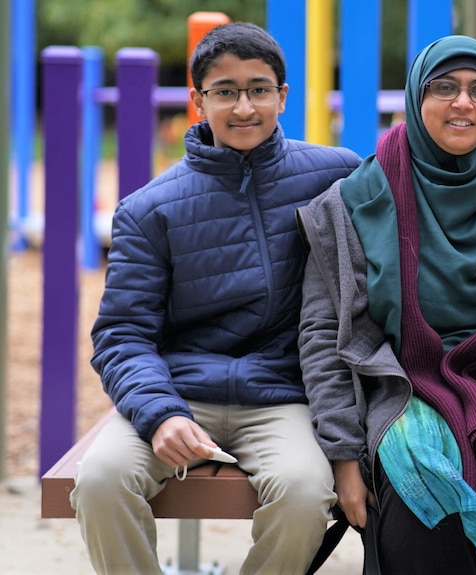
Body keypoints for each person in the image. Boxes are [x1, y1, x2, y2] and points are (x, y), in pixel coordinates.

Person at [71, 22, 361, 575]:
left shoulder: (336, 176)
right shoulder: (149, 209)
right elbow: (121, 334)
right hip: (180, 391)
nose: (243, 106)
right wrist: (158, 414)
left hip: (283, 394)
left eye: (258, 89)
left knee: (303, 493)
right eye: (224, 91)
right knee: (102, 480)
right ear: (198, 100)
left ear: (283, 96)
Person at [296, 35, 476, 574]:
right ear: (413, 96)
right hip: (403, 382)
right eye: (443, 87)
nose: (463, 102)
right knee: (415, 472)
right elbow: (324, 337)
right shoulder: (357, 200)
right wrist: (343, 459)